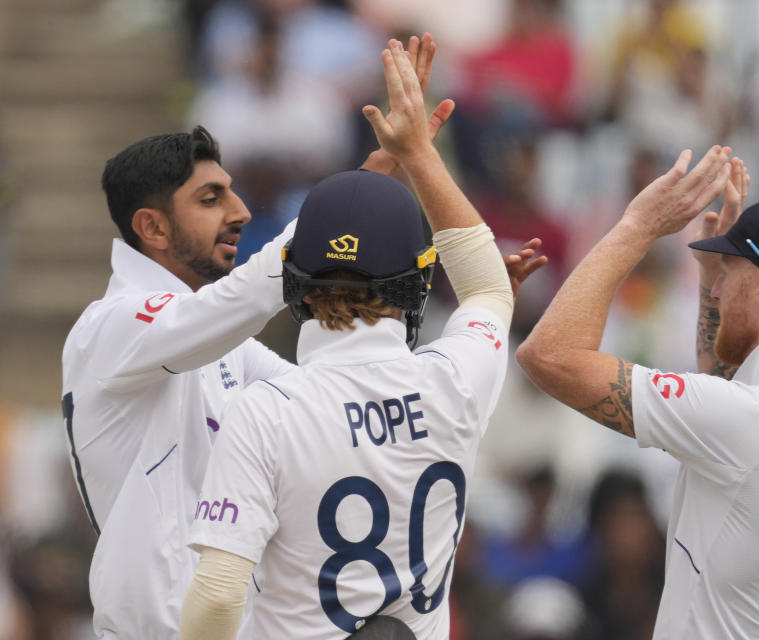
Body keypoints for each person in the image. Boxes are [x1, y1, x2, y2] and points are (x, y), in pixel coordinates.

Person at [62, 35, 539, 640]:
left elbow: (340, 396)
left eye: (232, 191)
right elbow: (245, 301)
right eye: (211, 199)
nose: (238, 211)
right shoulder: (112, 325)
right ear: (151, 227)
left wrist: (369, 229)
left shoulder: (225, 348)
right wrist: (377, 209)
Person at [516, 149, 759, 638]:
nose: (716, 291)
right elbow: (731, 406)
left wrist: (638, 226)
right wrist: (711, 275)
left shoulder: (751, 419)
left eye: (727, 277)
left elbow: (547, 355)